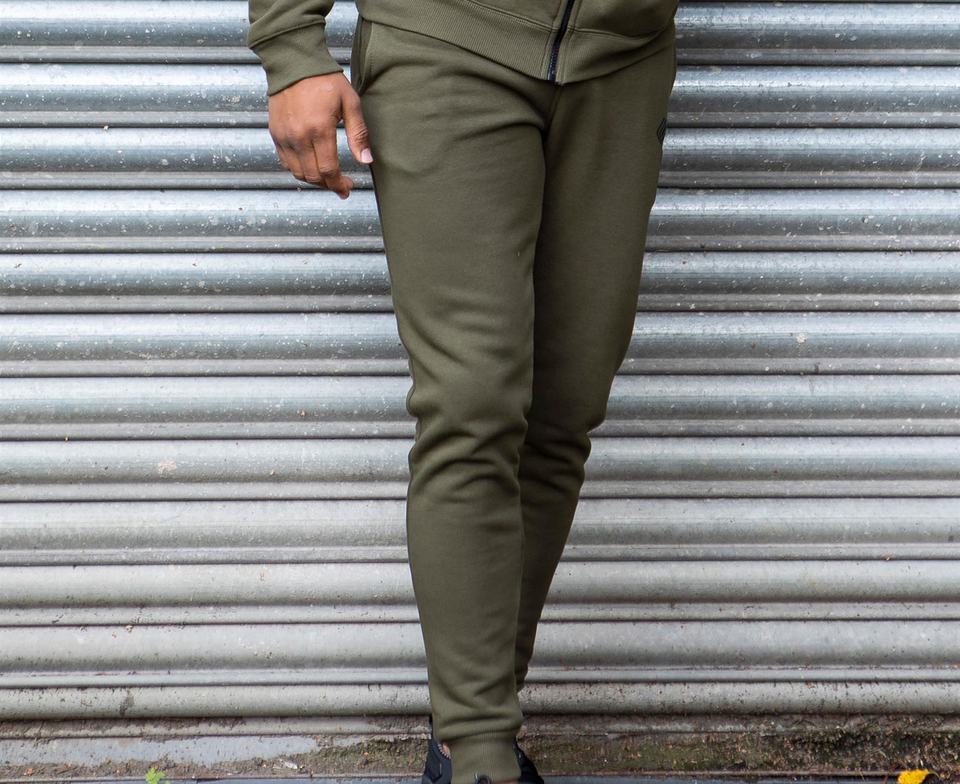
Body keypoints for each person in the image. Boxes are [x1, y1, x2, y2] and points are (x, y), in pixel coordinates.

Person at [246, 2, 680, 784]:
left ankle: (470, 739)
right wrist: (290, 44)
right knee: (471, 404)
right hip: (444, 39)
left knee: (564, 412)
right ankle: (480, 753)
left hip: (623, 61)